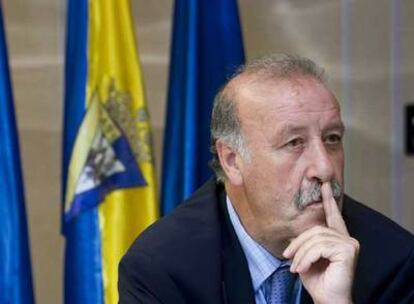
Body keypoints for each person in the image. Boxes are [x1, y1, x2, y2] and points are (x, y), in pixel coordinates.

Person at [118, 54, 414, 304]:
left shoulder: (393, 262)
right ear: (232, 161)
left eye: (332, 138)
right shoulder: (162, 270)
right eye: (294, 143)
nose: (324, 169)